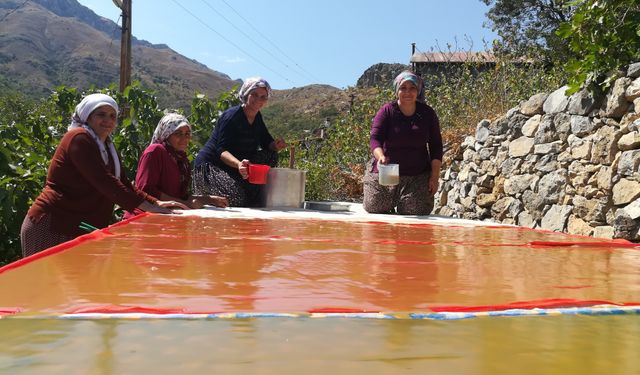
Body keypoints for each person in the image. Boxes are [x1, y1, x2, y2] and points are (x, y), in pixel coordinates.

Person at [20, 93, 187, 257]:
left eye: (113, 116)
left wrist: (156, 202)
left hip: (79, 224)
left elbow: (122, 183)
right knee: (48, 282)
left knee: (76, 282)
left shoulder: (106, 146)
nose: (108, 120)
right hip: (55, 223)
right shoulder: (78, 138)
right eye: (101, 115)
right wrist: (149, 207)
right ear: (88, 116)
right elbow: (105, 182)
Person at [193, 77, 287, 207]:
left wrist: (275, 145)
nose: (258, 100)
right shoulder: (231, 117)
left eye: (263, 97)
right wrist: (238, 165)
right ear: (246, 94)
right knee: (236, 198)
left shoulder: (257, 117)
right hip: (212, 166)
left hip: (236, 167)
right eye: (254, 95)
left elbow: (267, 142)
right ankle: (206, 198)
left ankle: (248, 185)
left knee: (271, 155)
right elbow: (221, 151)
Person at [363, 71, 443, 215]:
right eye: (403, 88)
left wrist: (434, 177)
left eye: (412, 88)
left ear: (418, 91)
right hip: (387, 172)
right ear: (397, 90)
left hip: (417, 175)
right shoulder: (387, 111)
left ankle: (404, 200)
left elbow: (436, 146)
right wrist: (380, 156)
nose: (407, 92)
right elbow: (375, 139)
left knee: (415, 211)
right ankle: (388, 199)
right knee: (374, 206)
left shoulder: (427, 114)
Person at [125, 113, 228, 219]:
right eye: (178, 134)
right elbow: (146, 189)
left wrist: (209, 199)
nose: (184, 139)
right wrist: (184, 204)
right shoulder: (155, 151)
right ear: (166, 134)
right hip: (144, 217)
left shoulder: (181, 159)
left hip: (167, 216)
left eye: (187, 134)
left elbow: (179, 195)